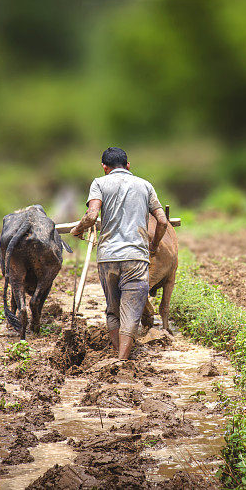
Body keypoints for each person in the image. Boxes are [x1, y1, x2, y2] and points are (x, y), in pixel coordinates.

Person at [70, 147, 169, 360]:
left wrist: (78, 230)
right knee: (132, 313)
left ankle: (116, 354)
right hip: (136, 258)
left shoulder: (99, 183)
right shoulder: (145, 186)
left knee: (113, 310)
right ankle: (123, 360)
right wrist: (154, 245)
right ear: (128, 165)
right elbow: (162, 221)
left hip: (108, 259)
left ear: (104, 167)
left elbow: (92, 214)